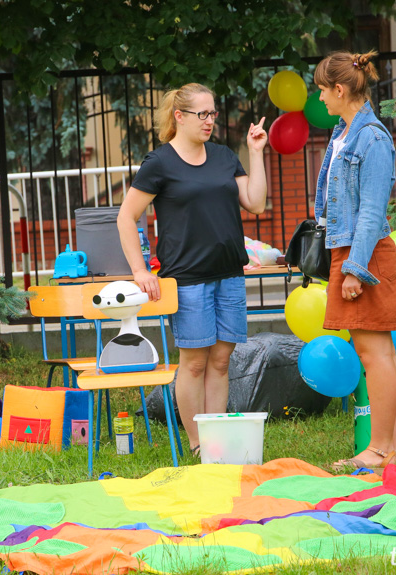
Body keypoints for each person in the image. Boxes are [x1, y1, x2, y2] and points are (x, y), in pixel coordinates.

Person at [117, 83, 267, 456]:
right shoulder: (160, 163)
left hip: (230, 274)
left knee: (220, 359)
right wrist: (139, 270)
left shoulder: (222, 156)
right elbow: (126, 217)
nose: (210, 121)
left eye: (213, 113)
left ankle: (216, 442)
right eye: (202, 114)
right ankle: (198, 444)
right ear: (179, 117)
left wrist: (254, 152)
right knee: (195, 363)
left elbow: (256, 203)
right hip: (187, 280)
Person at [313, 51, 396, 473]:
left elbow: (371, 211)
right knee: (376, 354)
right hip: (349, 251)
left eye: (321, 89)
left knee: (376, 356)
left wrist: (355, 268)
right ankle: (385, 450)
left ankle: (382, 450)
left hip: (364, 254)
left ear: (340, 88)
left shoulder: (372, 136)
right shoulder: (343, 131)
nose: (319, 98)